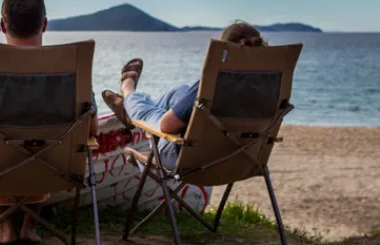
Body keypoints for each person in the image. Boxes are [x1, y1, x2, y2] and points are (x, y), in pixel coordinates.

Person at [0, 0, 99, 245]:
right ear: (45, 24)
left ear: (2, 26)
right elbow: (91, 127)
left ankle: (6, 228)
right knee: (48, 146)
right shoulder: (73, 70)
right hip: (56, 169)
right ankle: (30, 226)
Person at [101, 21, 267, 169]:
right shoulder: (270, 86)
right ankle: (129, 109)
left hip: (190, 160)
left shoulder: (214, 82)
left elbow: (166, 126)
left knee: (148, 113)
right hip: (244, 160)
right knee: (181, 91)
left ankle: (127, 89)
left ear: (224, 51)